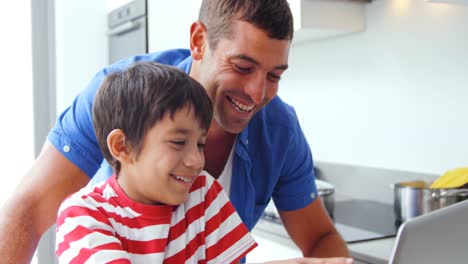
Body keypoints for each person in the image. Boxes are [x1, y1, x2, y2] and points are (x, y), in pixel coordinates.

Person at [0, 0, 351, 263]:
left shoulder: (227, 179)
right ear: (199, 41)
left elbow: (319, 238)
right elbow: (28, 211)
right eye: (242, 66)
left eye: (274, 76)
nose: (258, 94)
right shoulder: (119, 96)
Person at [55, 61, 257, 263]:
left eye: (201, 144)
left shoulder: (202, 193)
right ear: (122, 146)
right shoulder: (82, 215)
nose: (197, 161)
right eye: (178, 142)